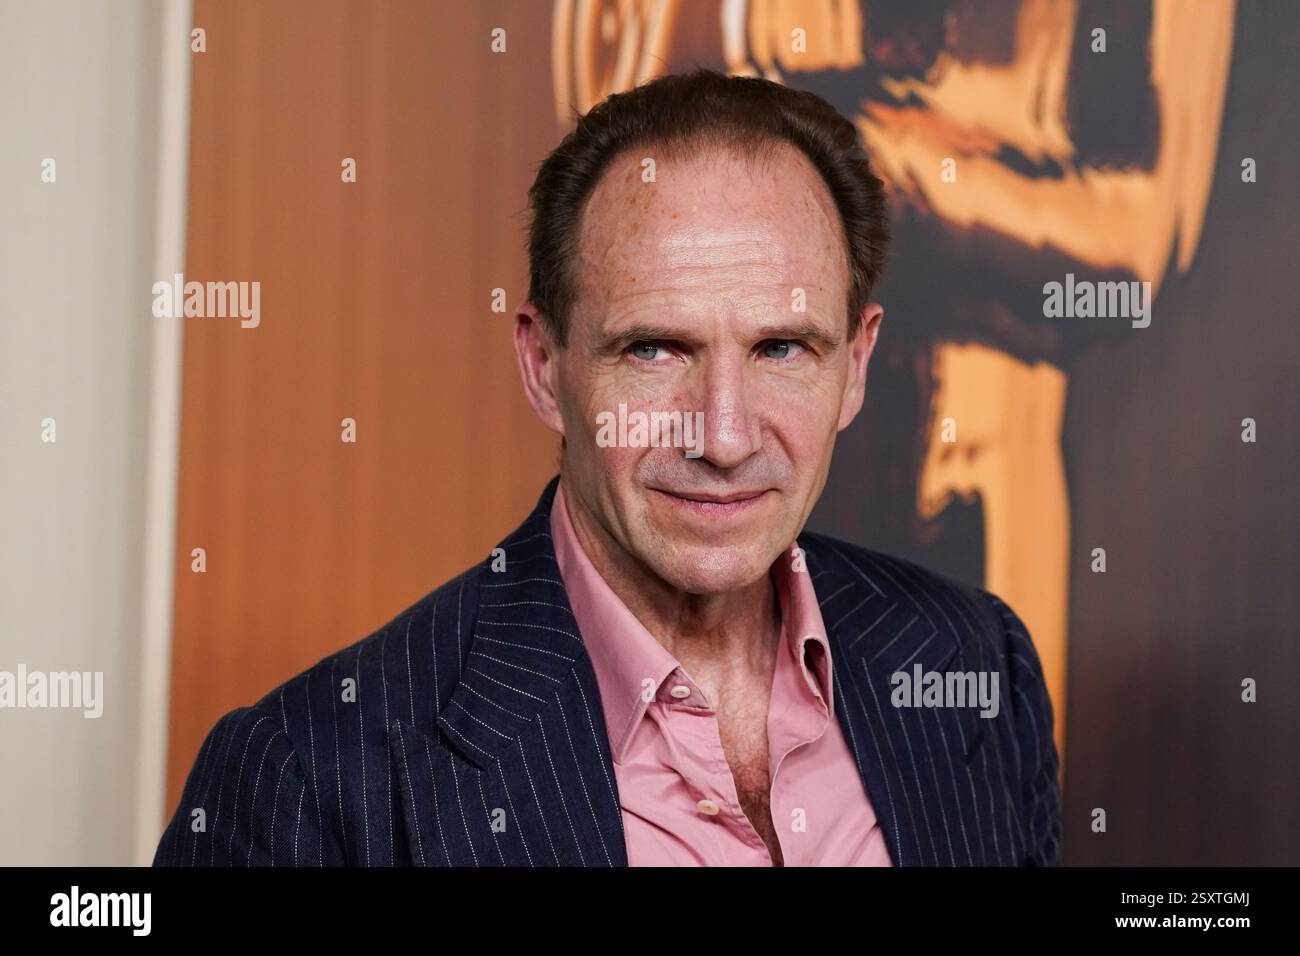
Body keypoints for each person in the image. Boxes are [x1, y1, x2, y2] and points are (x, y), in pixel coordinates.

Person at [154, 68, 1060, 867]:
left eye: (783, 348)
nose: (727, 436)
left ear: (856, 367)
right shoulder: (310, 777)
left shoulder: (978, 667)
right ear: (544, 364)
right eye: (657, 350)